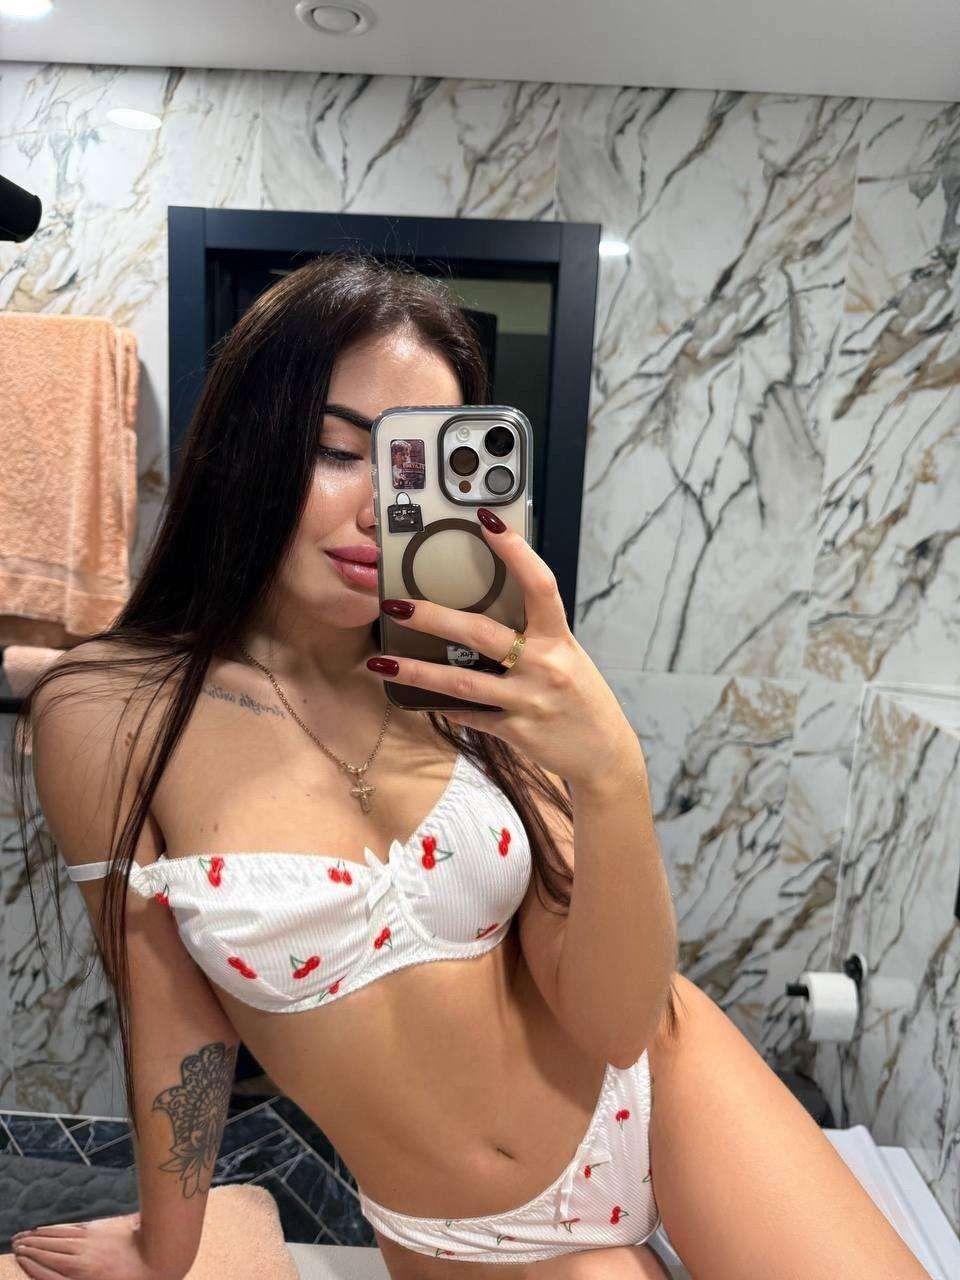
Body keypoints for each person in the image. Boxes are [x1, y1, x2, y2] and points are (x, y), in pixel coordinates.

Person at [12, 256, 931, 1280]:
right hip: (467, 1229)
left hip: (665, 1084)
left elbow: (617, 1020)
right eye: (336, 451)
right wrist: (165, 1247)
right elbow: (172, 1016)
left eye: (420, 470)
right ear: (245, 445)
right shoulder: (111, 710)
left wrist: (611, 772)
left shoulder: (477, 679)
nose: (381, 508)